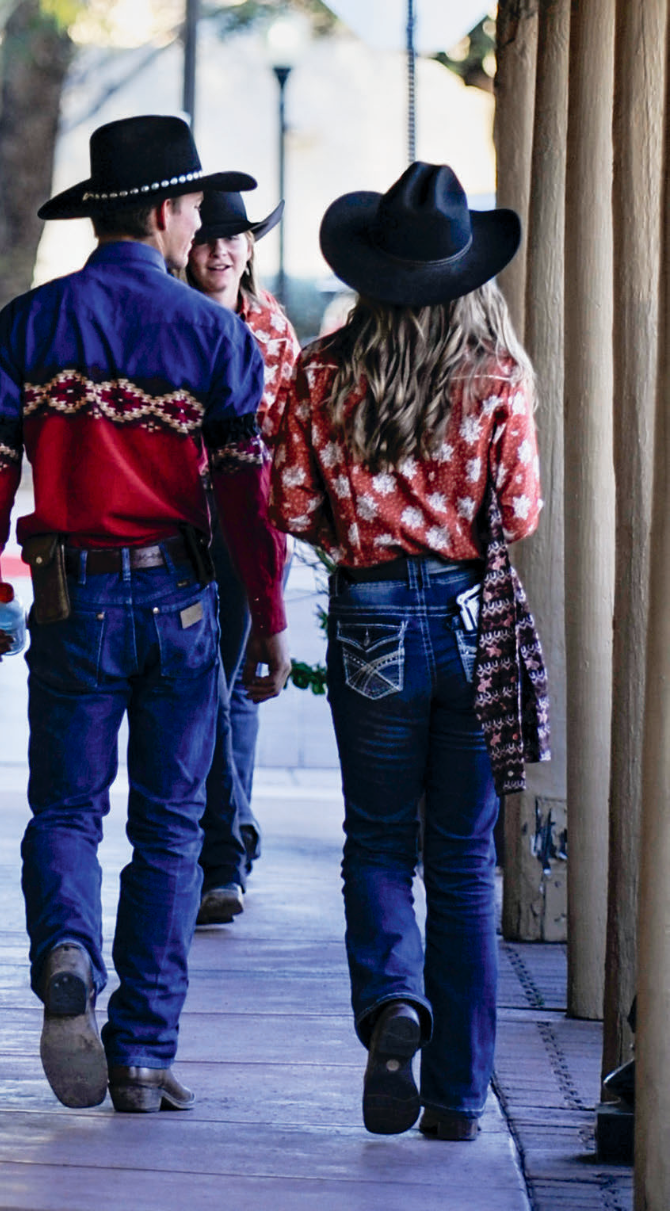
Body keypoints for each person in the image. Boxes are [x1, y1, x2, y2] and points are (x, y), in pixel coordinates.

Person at [0, 115, 290, 1113]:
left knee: (66, 809)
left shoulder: (30, 322)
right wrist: (268, 614)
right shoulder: (217, 335)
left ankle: (66, 948)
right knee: (171, 830)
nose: (201, 225)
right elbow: (246, 496)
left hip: (71, 598)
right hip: (181, 601)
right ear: (162, 210)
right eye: (194, 207)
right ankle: (141, 1052)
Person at [269, 163, 541, 1140]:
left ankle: (393, 999)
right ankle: (459, 1098)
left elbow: (290, 502)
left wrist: (360, 532)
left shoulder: (321, 369)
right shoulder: (499, 376)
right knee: (463, 859)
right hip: (471, 616)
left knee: (379, 840)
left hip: (370, 615)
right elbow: (519, 513)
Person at [182, 190, 300, 924]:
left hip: (249, 524)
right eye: (206, 238)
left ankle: (225, 854)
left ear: (251, 247)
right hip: (180, 520)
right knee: (213, 686)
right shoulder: (171, 318)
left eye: (233, 238)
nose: (219, 251)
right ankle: (228, 849)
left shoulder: (273, 329)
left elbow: (286, 436)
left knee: (229, 690)